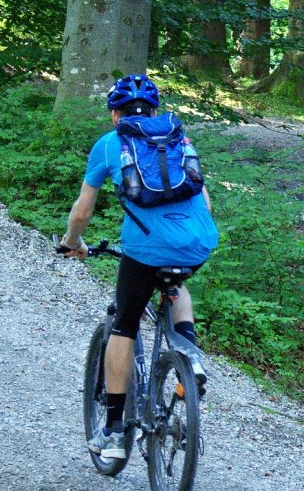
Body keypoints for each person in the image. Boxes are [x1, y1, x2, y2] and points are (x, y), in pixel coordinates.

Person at [59, 73, 219, 460]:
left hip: (145, 246)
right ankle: (190, 354)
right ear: (155, 110)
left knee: (125, 324)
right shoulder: (180, 140)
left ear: (115, 113)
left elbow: (82, 211)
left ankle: (113, 430)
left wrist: (72, 243)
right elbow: (206, 203)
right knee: (176, 283)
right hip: (198, 241)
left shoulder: (110, 144)